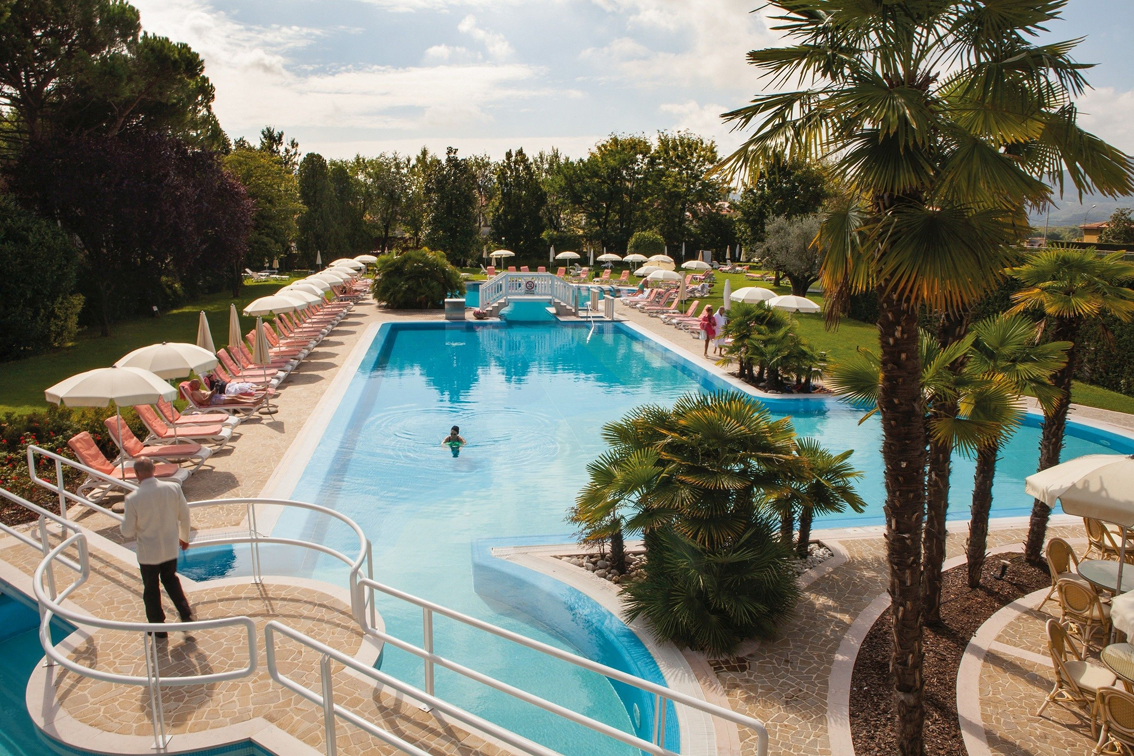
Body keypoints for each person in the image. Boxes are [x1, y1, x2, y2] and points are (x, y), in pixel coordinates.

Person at [120, 458, 195, 638]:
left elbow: (127, 531)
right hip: (170, 547)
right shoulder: (173, 488)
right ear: (154, 469)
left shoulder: (133, 499)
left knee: (151, 588)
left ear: (136, 474)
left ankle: (159, 628)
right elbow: (184, 514)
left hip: (148, 553)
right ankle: (185, 613)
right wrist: (184, 537)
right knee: (171, 580)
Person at [187, 379, 258, 407]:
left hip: (215, 397)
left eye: (199, 383)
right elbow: (204, 402)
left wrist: (215, 391)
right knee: (234, 400)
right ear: (193, 385)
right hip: (213, 400)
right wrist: (212, 393)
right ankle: (252, 403)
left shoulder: (199, 390)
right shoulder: (194, 393)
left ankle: (253, 400)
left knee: (235, 396)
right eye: (197, 384)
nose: (199, 384)